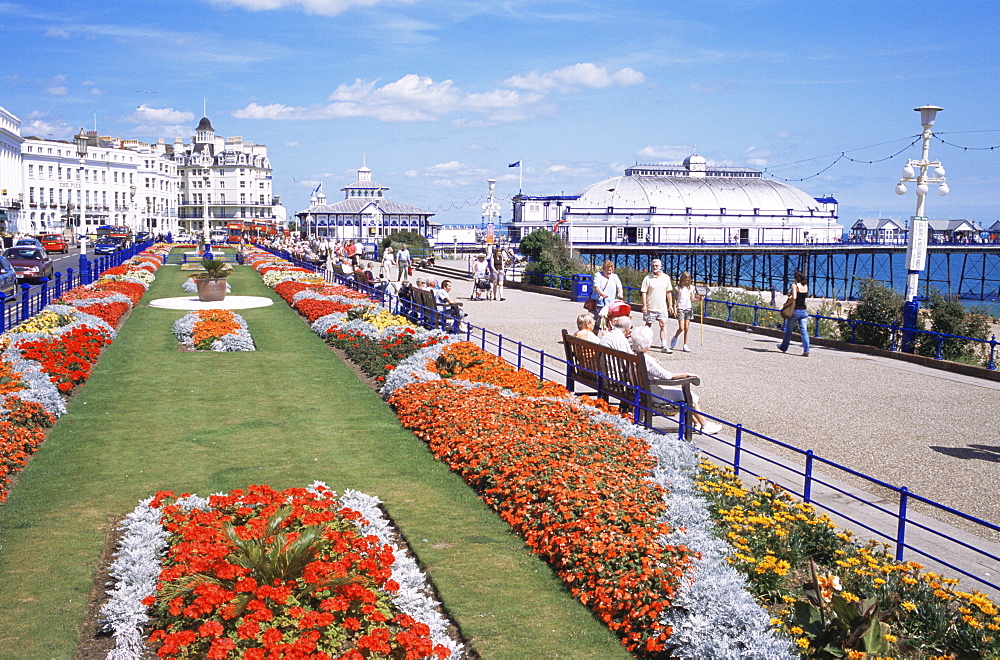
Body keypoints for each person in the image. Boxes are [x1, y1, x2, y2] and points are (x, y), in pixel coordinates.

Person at [630, 326, 722, 434]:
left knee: (680, 393)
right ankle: (705, 425)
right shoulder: (646, 359)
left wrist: (654, 363)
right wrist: (687, 374)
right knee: (690, 395)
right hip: (654, 395)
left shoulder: (633, 354)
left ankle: (697, 423)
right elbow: (667, 376)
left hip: (642, 391)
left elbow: (650, 369)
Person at [641, 259, 675, 353]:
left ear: (661, 266)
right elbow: (644, 292)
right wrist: (644, 305)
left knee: (663, 324)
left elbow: (668, 292)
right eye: (653, 266)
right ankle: (644, 344)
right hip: (650, 306)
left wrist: (670, 305)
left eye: (656, 266)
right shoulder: (647, 278)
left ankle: (664, 345)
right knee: (648, 326)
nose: (654, 267)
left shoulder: (666, 278)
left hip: (662, 306)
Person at [777, 270, 810, 357]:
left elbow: (794, 297)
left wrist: (786, 304)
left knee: (789, 331)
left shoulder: (794, 285)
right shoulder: (805, 286)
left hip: (795, 311)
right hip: (804, 311)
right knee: (804, 331)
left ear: (796, 278)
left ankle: (784, 347)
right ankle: (806, 350)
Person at [669, 271, 699, 352]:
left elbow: (692, 299)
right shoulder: (678, 288)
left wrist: (699, 299)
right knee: (681, 327)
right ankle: (675, 337)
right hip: (680, 309)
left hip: (688, 309)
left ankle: (685, 345)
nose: (686, 282)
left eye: (688, 280)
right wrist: (675, 309)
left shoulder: (691, 288)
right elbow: (675, 299)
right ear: (682, 280)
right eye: (685, 280)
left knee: (686, 328)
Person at [591, 260, 624, 332]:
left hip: (610, 305)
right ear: (603, 269)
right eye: (607, 270)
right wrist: (602, 294)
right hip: (598, 304)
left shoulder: (615, 276)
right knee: (595, 324)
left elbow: (619, 286)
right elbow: (596, 287)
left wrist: (620, 293)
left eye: (611, 270)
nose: (609, 272)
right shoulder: (598, 275)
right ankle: (593, 339)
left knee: (609, 324)